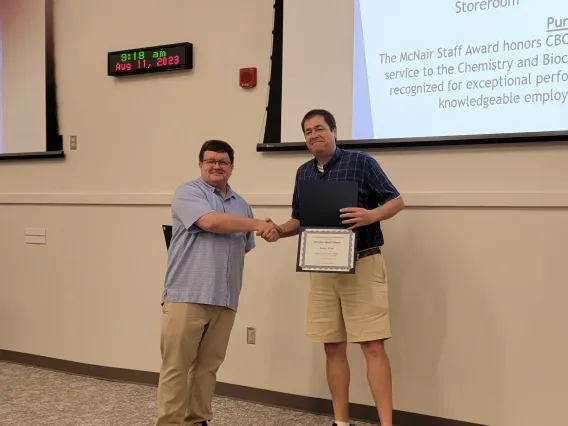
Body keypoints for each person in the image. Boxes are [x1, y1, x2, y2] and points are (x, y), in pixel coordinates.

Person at [261, 110, 404, 426]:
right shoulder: (304, 173)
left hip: (363, 262)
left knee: (372, 345)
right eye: (308, 131)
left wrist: (370, 216)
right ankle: (341, 422)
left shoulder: (361, 162)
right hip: (322, 269)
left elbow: (396, 201)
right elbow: (300, 217)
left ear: (334, 131)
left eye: (319, 128)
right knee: (332, 346)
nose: (313, 135)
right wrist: (279, 231)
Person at [155, 140, 276, 426]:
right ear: (200, 165)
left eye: (222, 162)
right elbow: (210, 222)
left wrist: (265, 228)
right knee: (176, 368)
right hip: (187, 296)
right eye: (210, 161)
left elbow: (243, 246)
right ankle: (170, 423)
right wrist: (258, 224)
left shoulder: (242, 205)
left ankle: (198, 420)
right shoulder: (187, 192)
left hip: (224, 299)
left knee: (208, 369)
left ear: (232, 168)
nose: (216, 166)